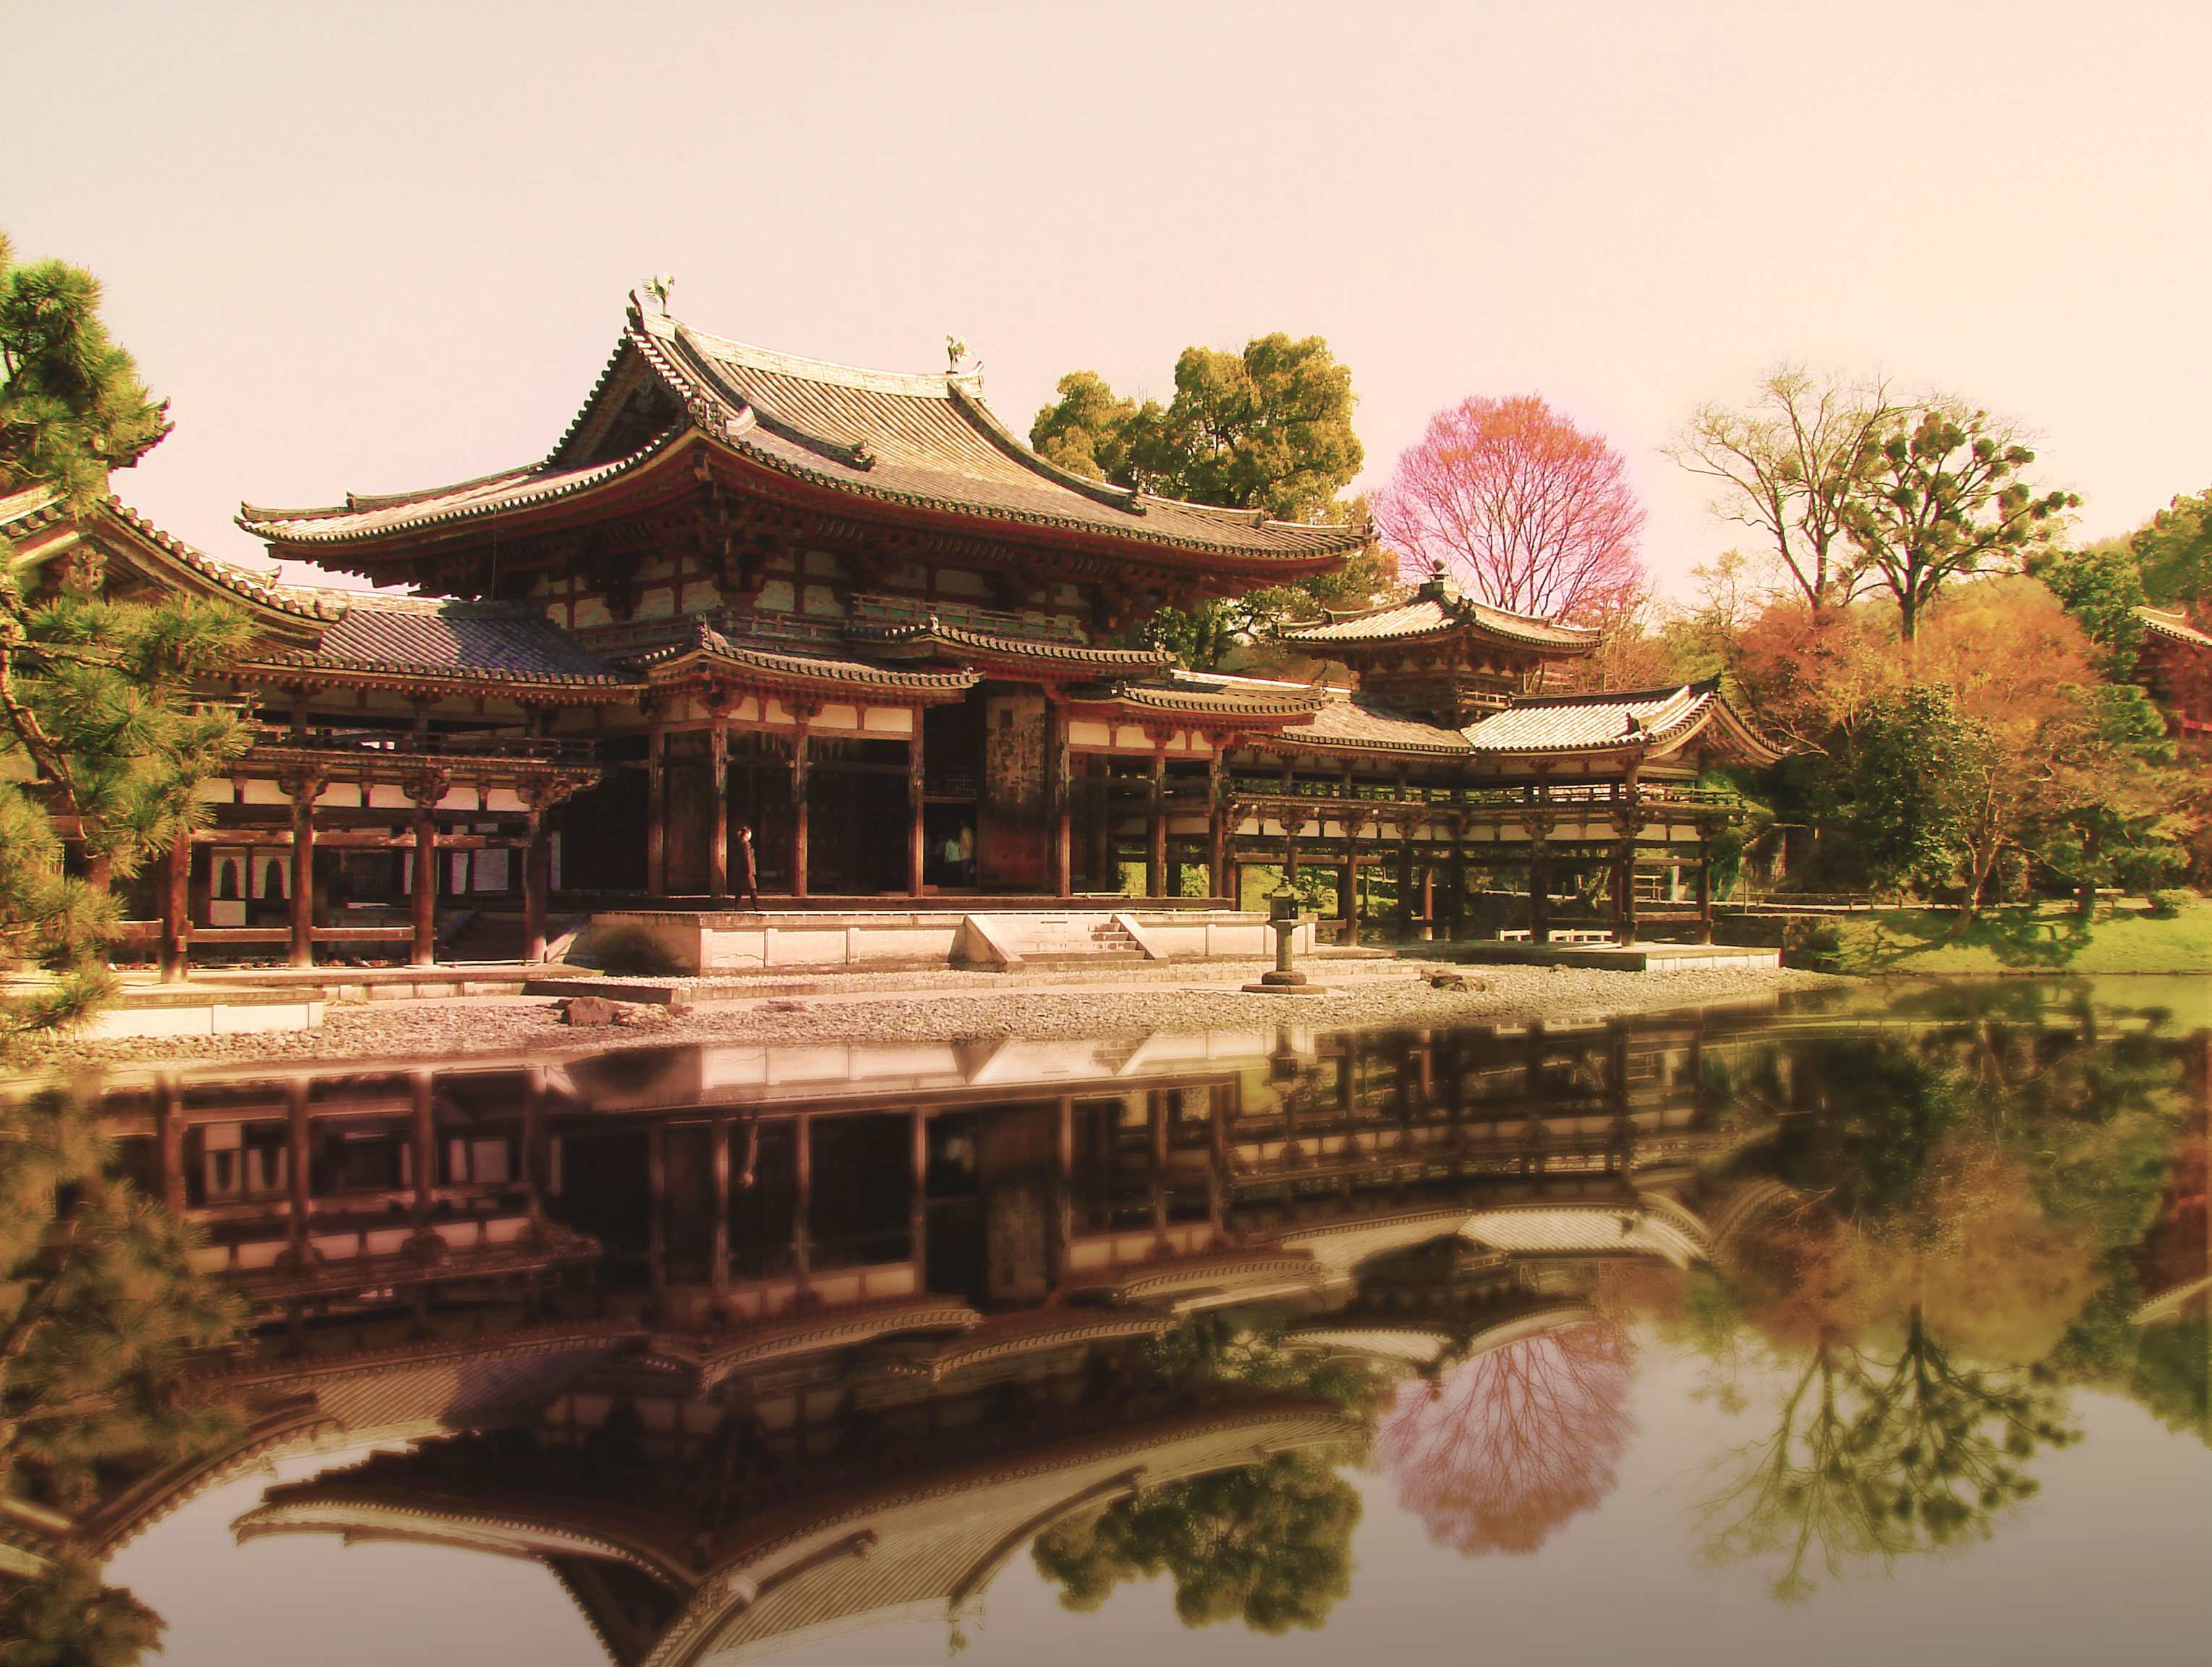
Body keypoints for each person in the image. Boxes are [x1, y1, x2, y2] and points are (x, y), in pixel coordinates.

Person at [734, 822, 760, 907]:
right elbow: (747, 857)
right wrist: (750, 870)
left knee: (740, 889)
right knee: (753, 889)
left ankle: (736, 905)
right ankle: (756, 906)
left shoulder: (740, 844)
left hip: (742, 870)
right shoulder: (746, 845)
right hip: (747, 870)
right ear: (746, 834)